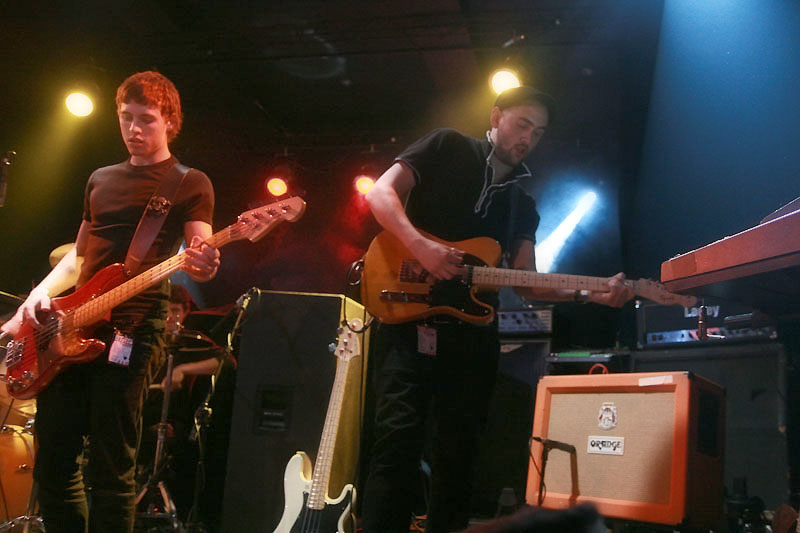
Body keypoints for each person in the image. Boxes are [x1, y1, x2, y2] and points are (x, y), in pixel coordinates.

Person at [360, 86, 634, 533]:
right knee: (395, 445)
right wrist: (421, 246)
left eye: (539, 132)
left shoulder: (521, 205)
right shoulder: (446, 145)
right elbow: (380, 193)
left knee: (460, 455)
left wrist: (591, 293)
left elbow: (528, 281)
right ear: (495, 116)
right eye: (523, 124)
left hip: (471, 336)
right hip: (406, 319)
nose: (529, 137)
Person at [0, 70, 220, 533]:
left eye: (146, 120)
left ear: (170, 122)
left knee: (111, 467)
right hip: (69, 328)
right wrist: (32, 301)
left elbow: (200, 254)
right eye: (126, 118)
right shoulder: (100, 178)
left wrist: (204, 263)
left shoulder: (188, 182)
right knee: (55, 462)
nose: (134, 130)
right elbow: (78, 259)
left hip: (133, 332)